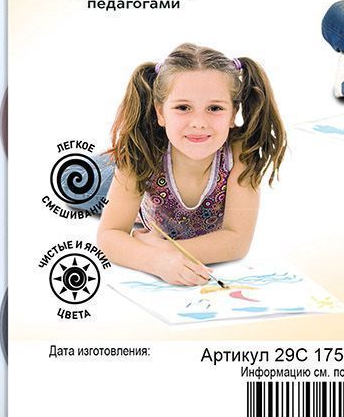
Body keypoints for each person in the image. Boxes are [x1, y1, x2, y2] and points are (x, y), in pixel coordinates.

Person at [98, 42, 286, 285]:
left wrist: (165, 248)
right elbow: (109, 235)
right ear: (160, 113)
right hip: (120, 174)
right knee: (76, 180)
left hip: (155, 221)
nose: (199, 122)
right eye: (183, 107)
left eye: (214, 108)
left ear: (233, 113)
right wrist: (156, 261)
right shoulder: (140, 151)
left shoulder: (241, 152)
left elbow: (236, 242)